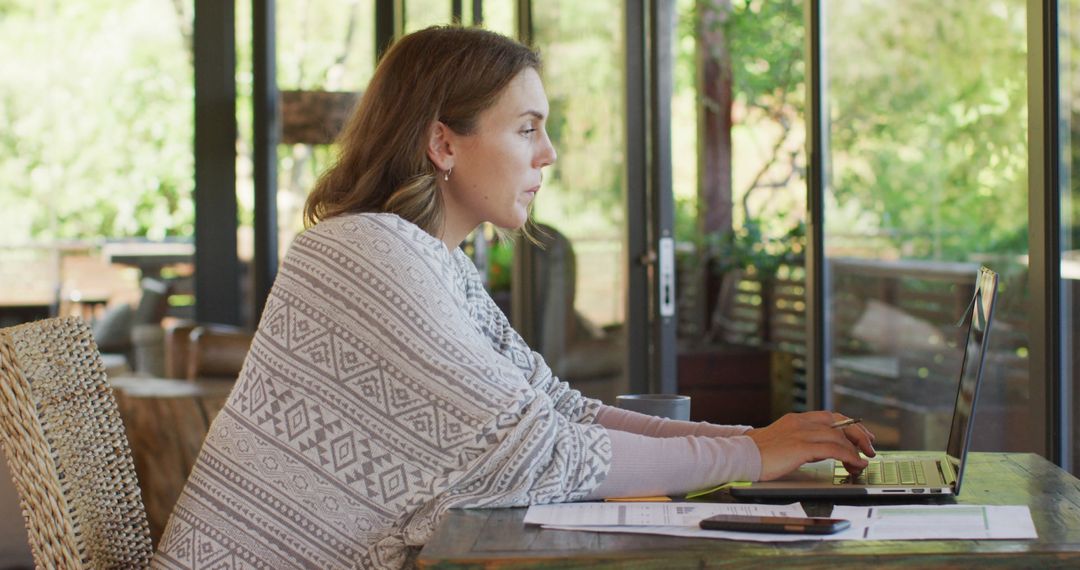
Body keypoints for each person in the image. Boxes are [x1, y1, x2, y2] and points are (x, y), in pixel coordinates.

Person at [152, 26, 875, 570]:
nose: (548, 154)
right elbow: (542, 451)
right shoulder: (367, 251)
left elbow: (558, 408)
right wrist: (752, 456)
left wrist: (757, 444)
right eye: (527, 128)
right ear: (443, 143)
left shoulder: (432, 260)